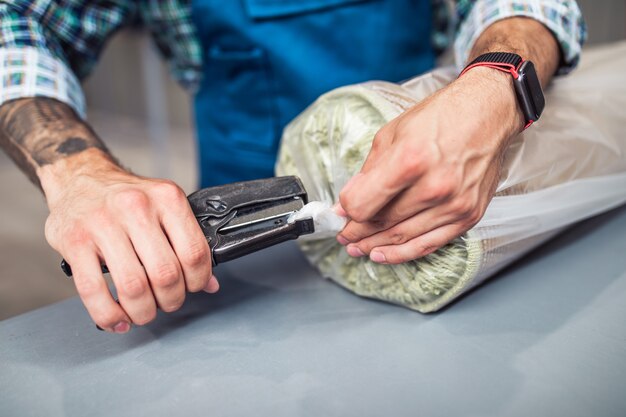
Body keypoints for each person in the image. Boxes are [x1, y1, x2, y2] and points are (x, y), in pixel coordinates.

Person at [0, 1, 585, 332]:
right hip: (250, 244)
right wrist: (78, 172)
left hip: (442, 186)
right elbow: (19, 24)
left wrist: (498, 83)